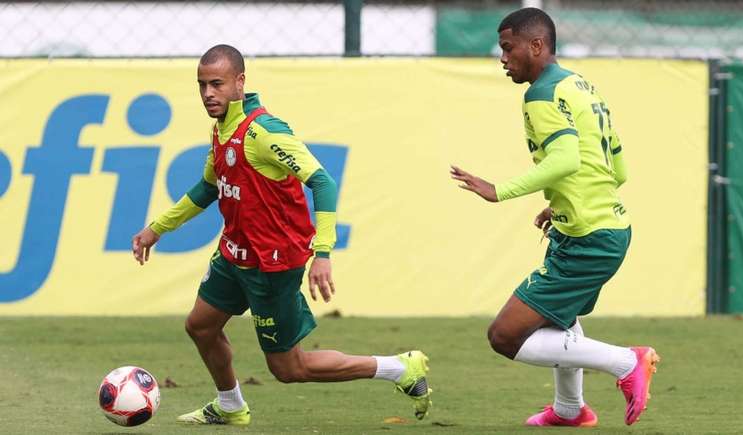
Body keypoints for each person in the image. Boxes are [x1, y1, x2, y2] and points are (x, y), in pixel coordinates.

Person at [131, 44, 431, 426]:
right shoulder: (222, 129)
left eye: (217, 84)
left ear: (240, 82)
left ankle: (399, 368)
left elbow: (322, 182)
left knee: (289, 368)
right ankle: (230, 405)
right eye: (202, 85)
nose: (208, 93)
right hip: (235, 254)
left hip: (272, 264)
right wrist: (156, 228)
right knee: (201, 326)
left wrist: (322, 252)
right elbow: (209, 188)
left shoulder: (263, 131)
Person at [450, 8, 658, 428]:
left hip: (589, 238)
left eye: (508, 48)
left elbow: (564, 159)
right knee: (562, 318)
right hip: (605, 227)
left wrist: (499, 190)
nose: (503, 58)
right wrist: (563, 201)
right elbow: (618, 169)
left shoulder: (541, 94)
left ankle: (626, 362)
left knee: (505, 336)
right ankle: (570, 410)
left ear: (536, 45)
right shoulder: (581, 85)